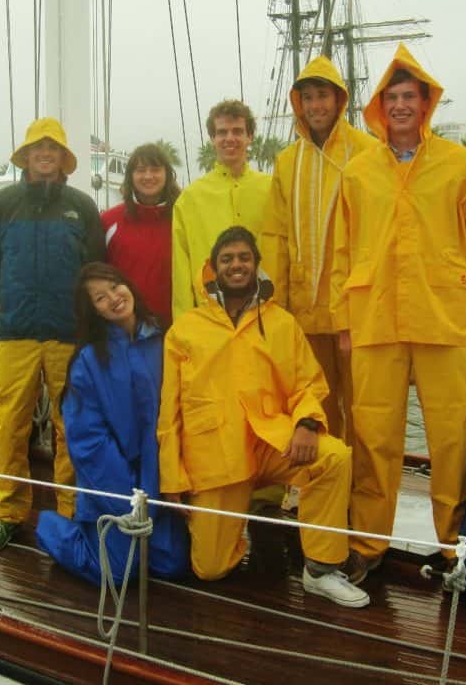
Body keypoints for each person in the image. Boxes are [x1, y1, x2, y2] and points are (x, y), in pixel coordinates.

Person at [331, 44, 466, 582]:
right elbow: (342, 249)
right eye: (393, 97)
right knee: (373, 436)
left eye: (411, 96)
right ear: (380, 107)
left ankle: (453, 549)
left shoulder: (462, 164)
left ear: (426, 104)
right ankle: (368, 544)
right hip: (376, 320)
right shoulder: (358, 172)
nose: (402, 105)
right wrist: (344, 321)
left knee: (452, 437)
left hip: (443, 318)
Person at [157, 226, 368, 608]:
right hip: (215, 455)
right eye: (227, 259)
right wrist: (173, 475)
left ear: (255, 265)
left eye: (244, 258)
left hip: (271, 441)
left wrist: (306, 423)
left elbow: (308, 383)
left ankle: (320, 569)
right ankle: (225, 525)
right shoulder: (186, 329)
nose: (236, 265)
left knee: (334, 457)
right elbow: (169, 410)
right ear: (213, 268)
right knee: (211, 569)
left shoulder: (282, 322)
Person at [0, 117, 105, 553]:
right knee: (9, 425)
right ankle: (8, 512)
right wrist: (1, 309)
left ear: (63, 159)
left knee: (72, 427)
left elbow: (95, 270)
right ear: (26, 156)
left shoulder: (82, 208)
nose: (44, 155)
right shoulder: (1, 205)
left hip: (68, 334)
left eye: (52, 149)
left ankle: (71, 511)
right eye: (37, 149)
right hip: (16, 335)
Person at [35, 263, 189, 584]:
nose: (114, 298)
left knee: (174, 565)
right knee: (120, 573)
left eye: (116, 286)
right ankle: (54, 529)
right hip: (113, 488)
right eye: (100, 298)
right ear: (94, 312)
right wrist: (127, 502)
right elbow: (89, 443)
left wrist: (169, 484)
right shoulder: (87, 362)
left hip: (159, 482)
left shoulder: (164, 339)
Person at [261, 55, 379, 441]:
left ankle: (363, 499)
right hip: (304, 314)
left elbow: (377, 234)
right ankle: (327, 490)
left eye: (323, 95)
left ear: (339, 99)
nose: (316, 105)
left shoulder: (367, 152)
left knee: (366, 408)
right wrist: (275, 307)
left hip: (357, 313)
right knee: (317, 408)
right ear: (298, 103)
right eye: (308, 97)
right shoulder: (286, 161)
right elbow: (276, 237)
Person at [171, 100, 271, 321]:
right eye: (222, 132)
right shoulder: (190, 199)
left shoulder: (272, 190)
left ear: (250, 136)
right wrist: (184, 323)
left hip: (265, 313)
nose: (229, 139)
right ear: (212, 138)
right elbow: (181, 269)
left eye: (237, 131)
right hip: (210, 316)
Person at [100, 143, 182, 328]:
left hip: (173, 328)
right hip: (125, 328)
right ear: (130, 176)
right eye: (140, 170)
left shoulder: (184, 219)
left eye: (155, 170)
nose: (148, 176)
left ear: (167, 174)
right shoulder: (108, 221)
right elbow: (97, 277)